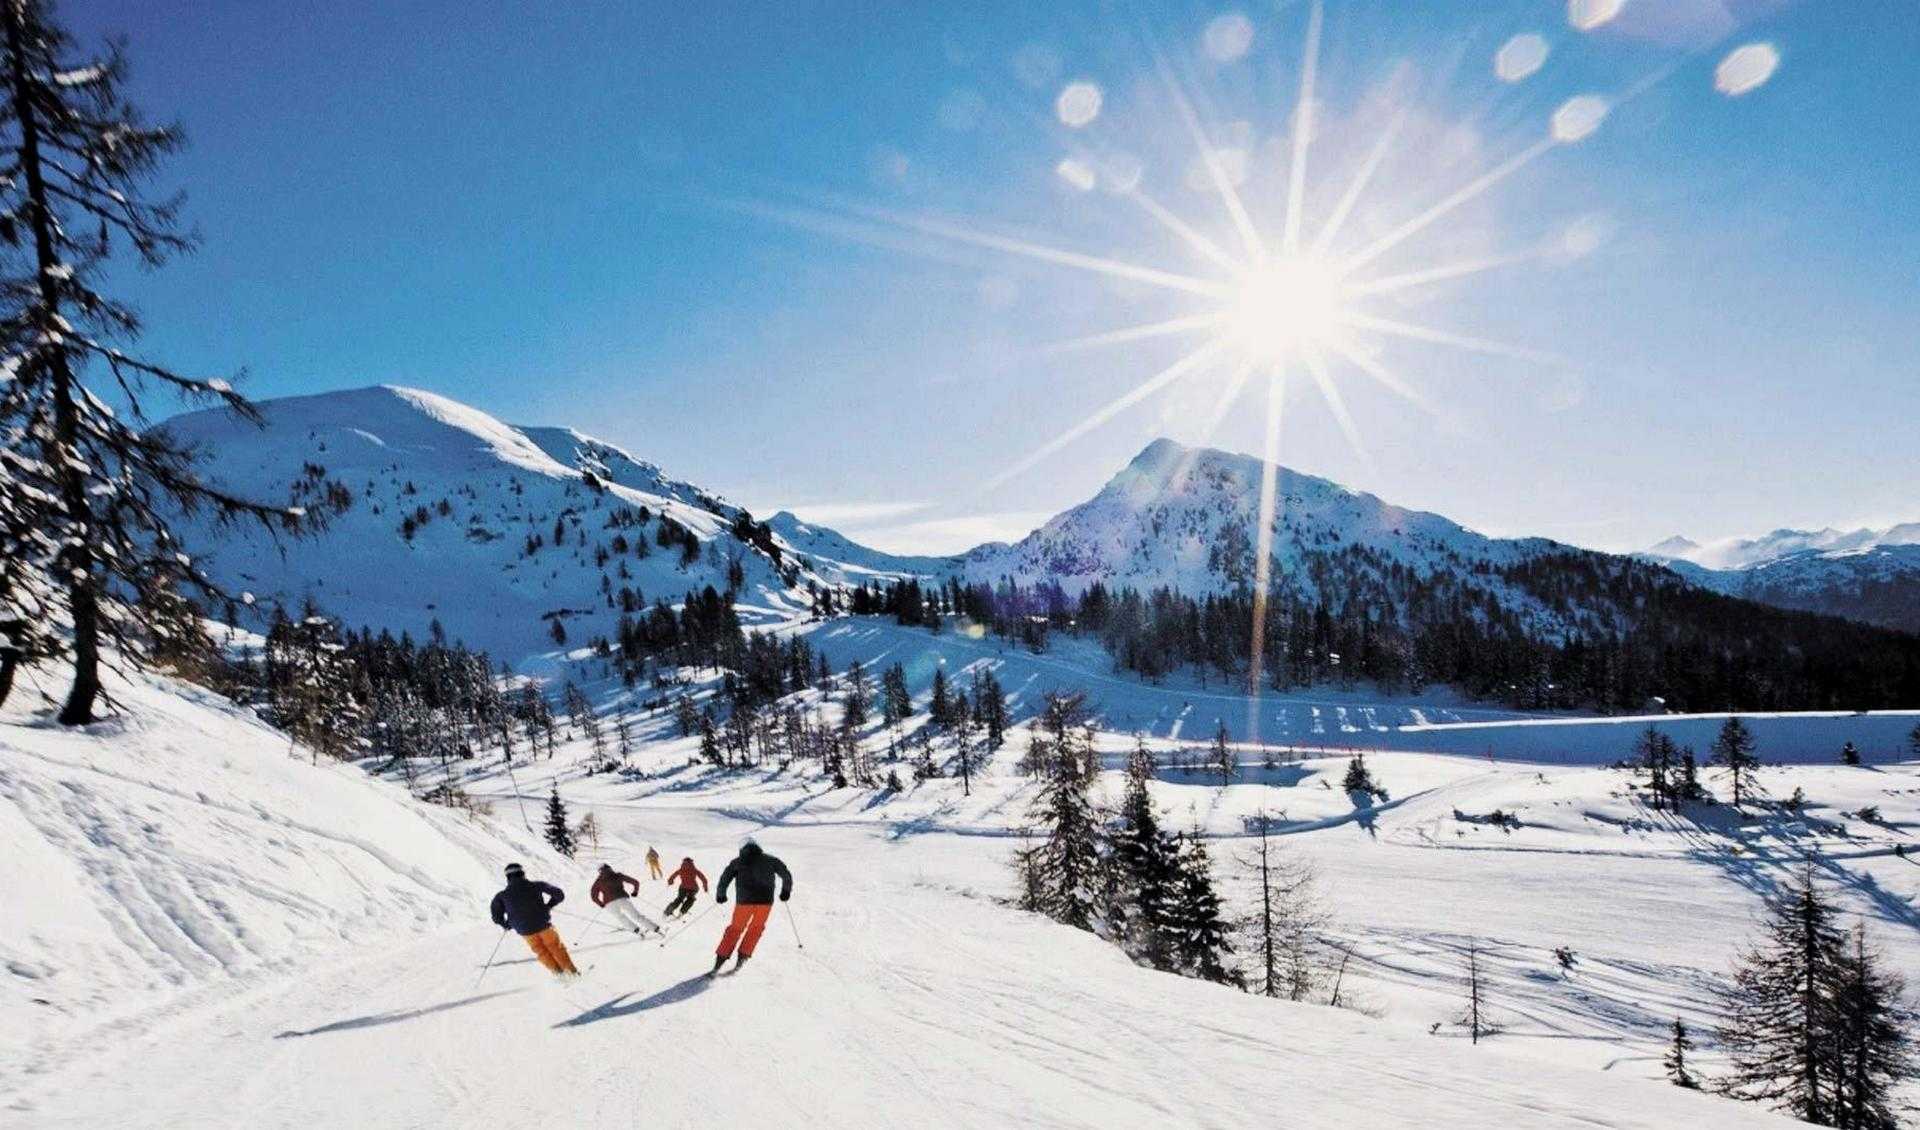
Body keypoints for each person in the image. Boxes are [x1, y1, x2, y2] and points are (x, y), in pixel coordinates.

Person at [709, 840, 792, 975]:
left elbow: (725, 878)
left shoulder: (738, 861)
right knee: (755, 929)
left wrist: (721, 894)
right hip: (765, 902)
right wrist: (785, 891)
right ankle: (741, 960)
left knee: (735, 929)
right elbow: (786, 874)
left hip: (744, 902)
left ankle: (718, 964)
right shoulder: (771, 860)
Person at [489, 862, 578, 977]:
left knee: (541, 951)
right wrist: (549, 905)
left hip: (524, 930)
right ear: (523, 873)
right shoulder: (536, 885)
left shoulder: (502, 895)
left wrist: (506, 925)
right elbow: (559, 894)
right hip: (543, 924)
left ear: (508, 877)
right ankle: (572, 974)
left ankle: (559, 975)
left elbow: (496, 915)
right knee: (555, 947)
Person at [590, 862, 661, 936]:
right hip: (622, 899)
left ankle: (636, 930)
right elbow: (635, 882)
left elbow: (593, 896)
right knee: (636, 916)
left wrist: (601, 904)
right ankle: (656, 928)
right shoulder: (618, 875)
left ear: (599, 871)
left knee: (620, 917)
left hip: (609, 903)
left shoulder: (598, 881)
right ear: (609, 868)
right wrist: (635, 892)